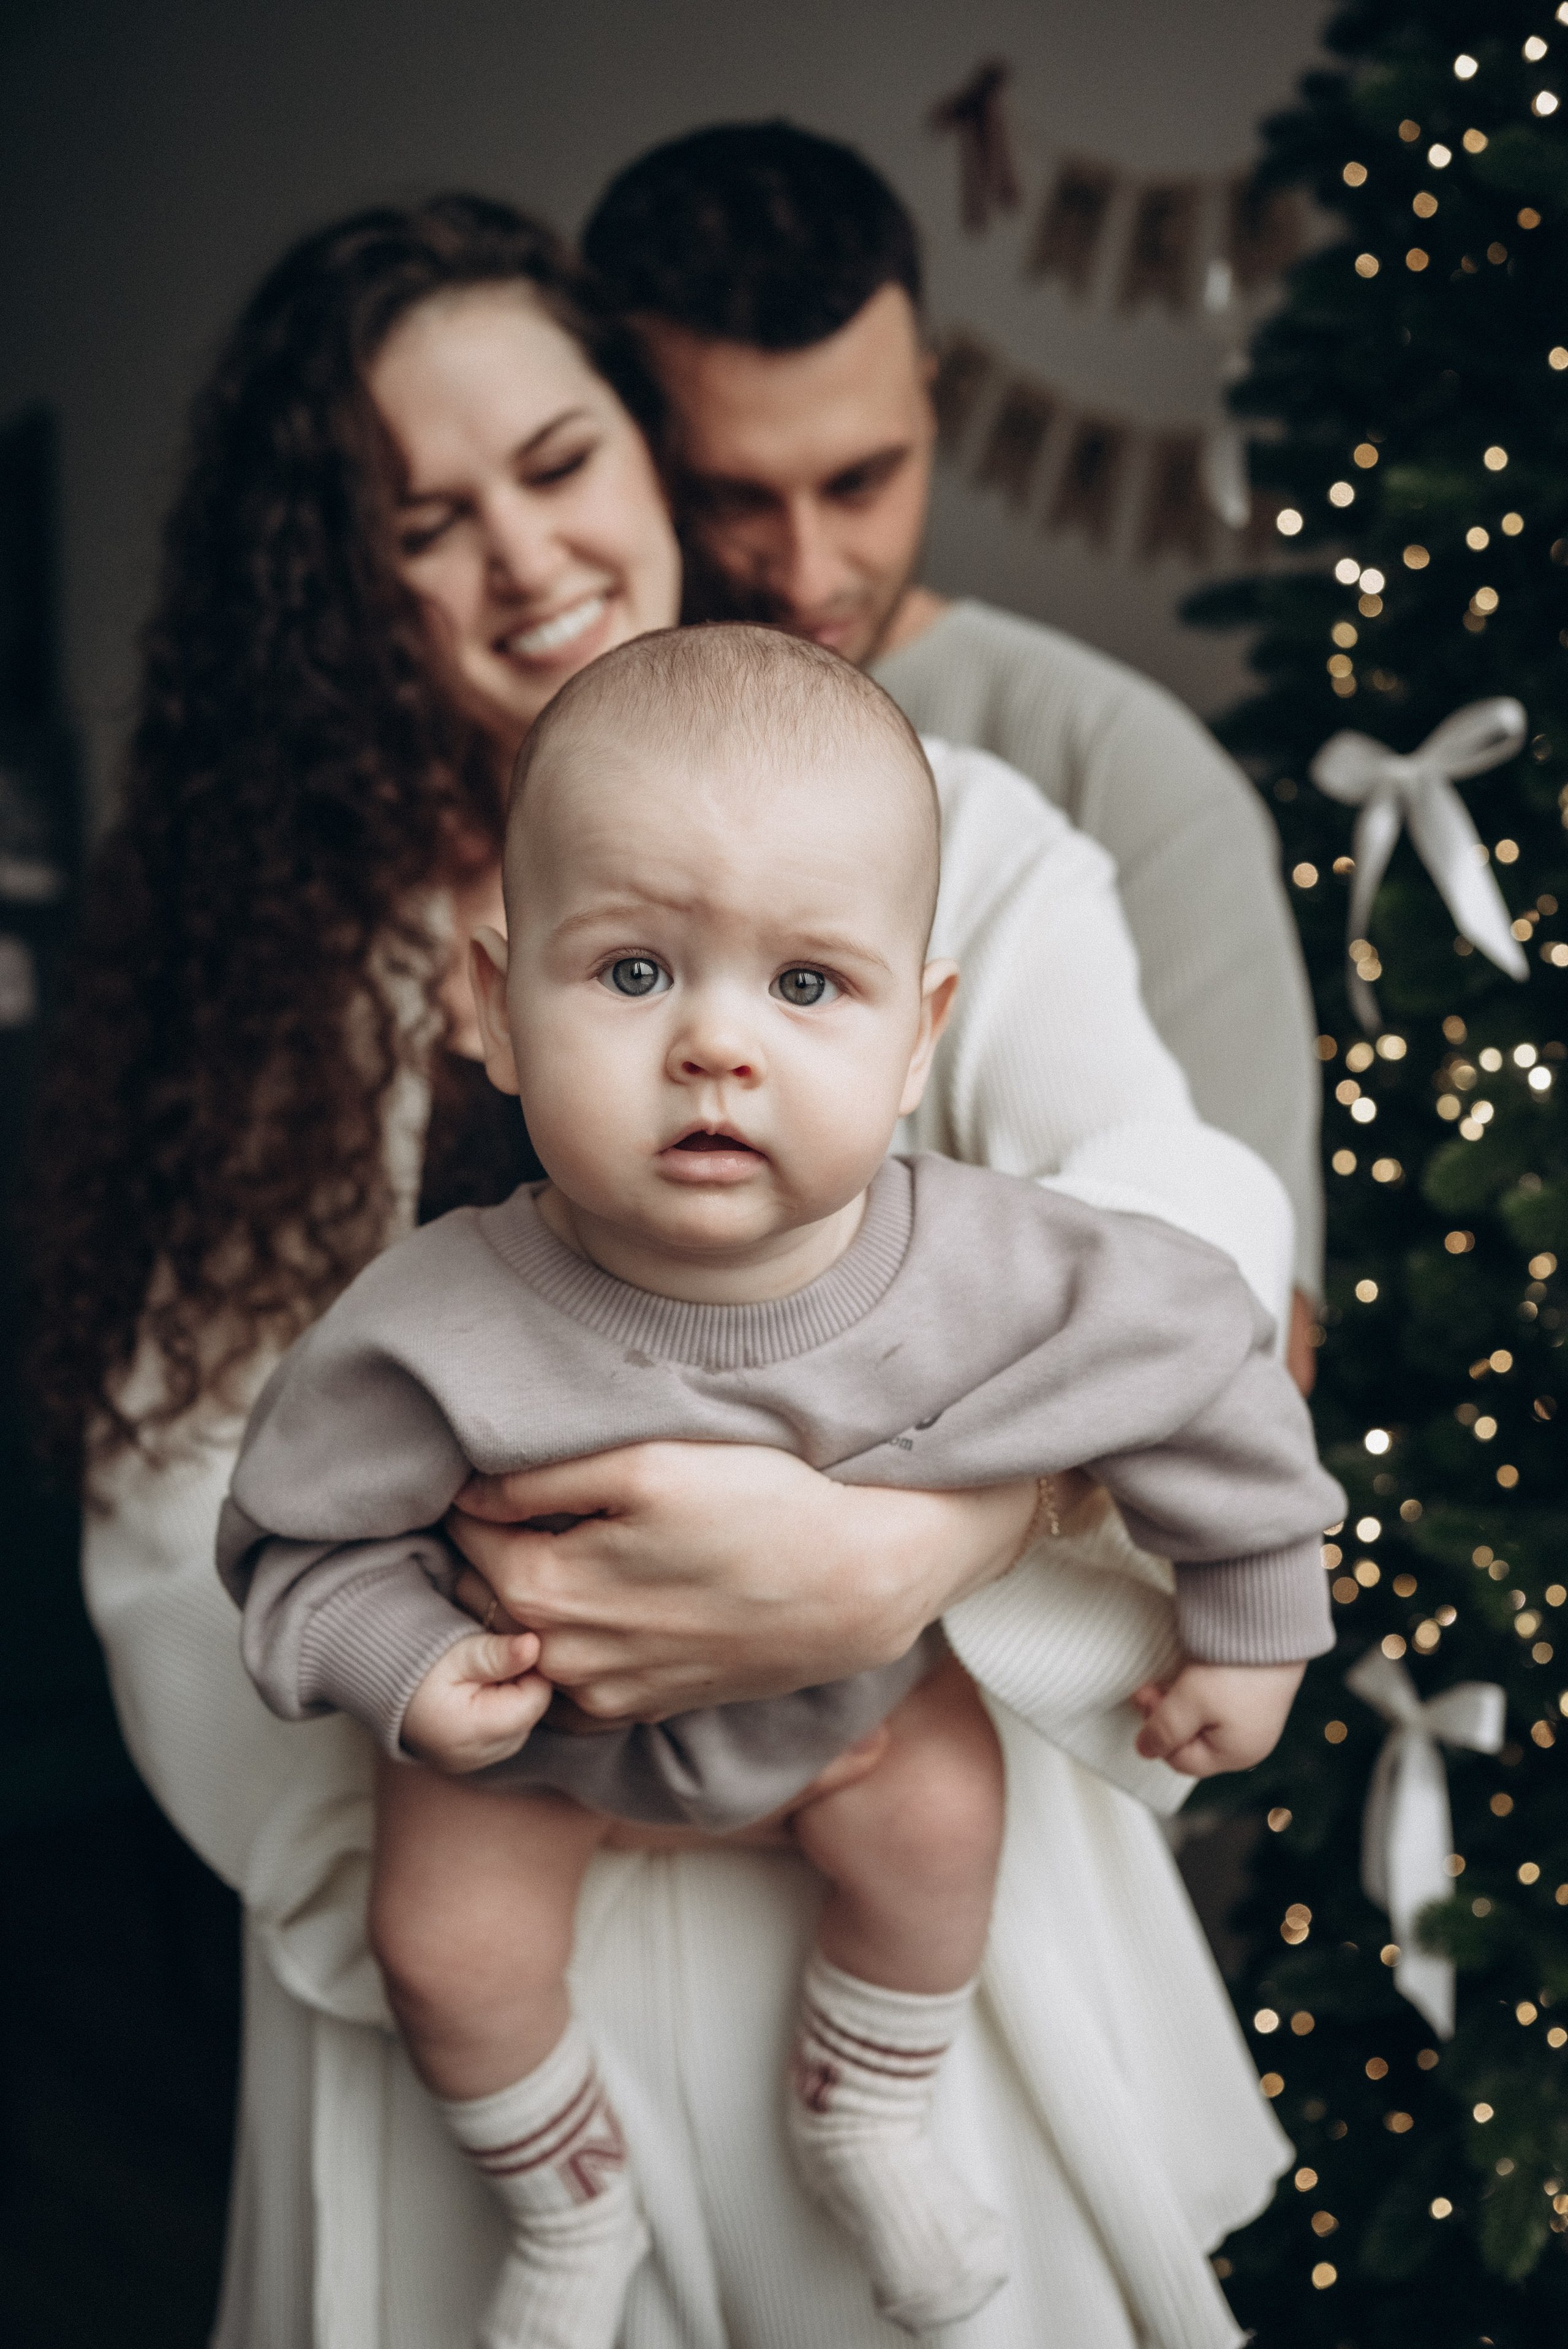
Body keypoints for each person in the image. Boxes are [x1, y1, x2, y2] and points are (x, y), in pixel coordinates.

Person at [28, 195, 1296, 2348]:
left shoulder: (933, 820)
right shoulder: (259, 969)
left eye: (557, 462)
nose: (522, 557)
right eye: (422, 521)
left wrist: (912, 1544)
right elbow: (193, 1491)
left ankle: (865, 2106)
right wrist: (450, 1728)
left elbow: (1173, 1221)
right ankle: (556, 2167)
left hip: (897, 1837)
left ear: (646, 440)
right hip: (484, 1850)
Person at [219, 627, 1339, 2347]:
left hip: (857, 1717)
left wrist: (1253, 1616)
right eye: (635, 974)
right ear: (499, 1008)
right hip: (540, 1746)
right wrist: (407, 1665)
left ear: (918, 1038)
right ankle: (570, 2197)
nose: (716, 1048)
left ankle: (864, 2108)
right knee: (438, 1940)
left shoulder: (988, 1262)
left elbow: (1201, 1356)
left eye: (806, 985)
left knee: (941, 1823)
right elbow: (289, 1536)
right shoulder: (436, 1319)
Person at [579, 120, 1325, 1390]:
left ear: (929, 392)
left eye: (861, 480)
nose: (808, 570)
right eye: (733, 497)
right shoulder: (551, 760)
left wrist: (927, 1538)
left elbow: (1263, 1337)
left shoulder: (1113, 772)